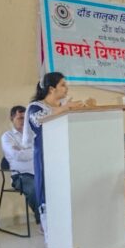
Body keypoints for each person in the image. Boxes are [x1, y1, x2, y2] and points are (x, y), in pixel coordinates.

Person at [23, 72, 83, 228]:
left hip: (66, 155)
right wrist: (66, 108)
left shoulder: (62, 105)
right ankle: (50, 232)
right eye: (62, 85)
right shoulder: (35, 107)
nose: (66, 88)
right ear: (51, 89)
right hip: (46, 157)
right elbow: (39, 119)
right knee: (49, 192)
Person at [1, 106, 40, 223]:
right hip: (21, 176)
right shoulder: (7, 137)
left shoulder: (33, 134)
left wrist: (23, 150)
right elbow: (18, 156)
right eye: (20, 118)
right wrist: (35, 150)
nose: (23, 121)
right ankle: (43, 222)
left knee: (57, 187)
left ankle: (55, 220)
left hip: (38, 173)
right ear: (12, 119)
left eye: (25, 118)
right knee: (35, 189)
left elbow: (43, 151)